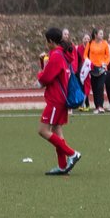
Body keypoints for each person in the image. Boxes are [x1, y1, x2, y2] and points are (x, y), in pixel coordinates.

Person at [35, 27, 82, 176]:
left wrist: (39, 74)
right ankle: (62, 166)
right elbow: (53, 74)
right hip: (62, 99)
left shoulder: (56, 55)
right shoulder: (62, 53)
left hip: (56, 99)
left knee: (43, 130)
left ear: (50, 41)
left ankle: (72, 154)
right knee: (56, 130)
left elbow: (46, 78)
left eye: (46, 41)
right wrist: (44, 63)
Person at [84, 29, 110, 112]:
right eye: (100, 34)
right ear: (95, 35)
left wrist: (105, 63)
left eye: (102, 34)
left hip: (102, 68)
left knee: (100, 87)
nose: (102, 35)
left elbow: (108, 55)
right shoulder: (90, 43)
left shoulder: (105, 43)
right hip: (92, 68)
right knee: (94, 88)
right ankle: (96, 106)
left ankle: (100, 106)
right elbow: (85, 55)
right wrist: (89, 62)